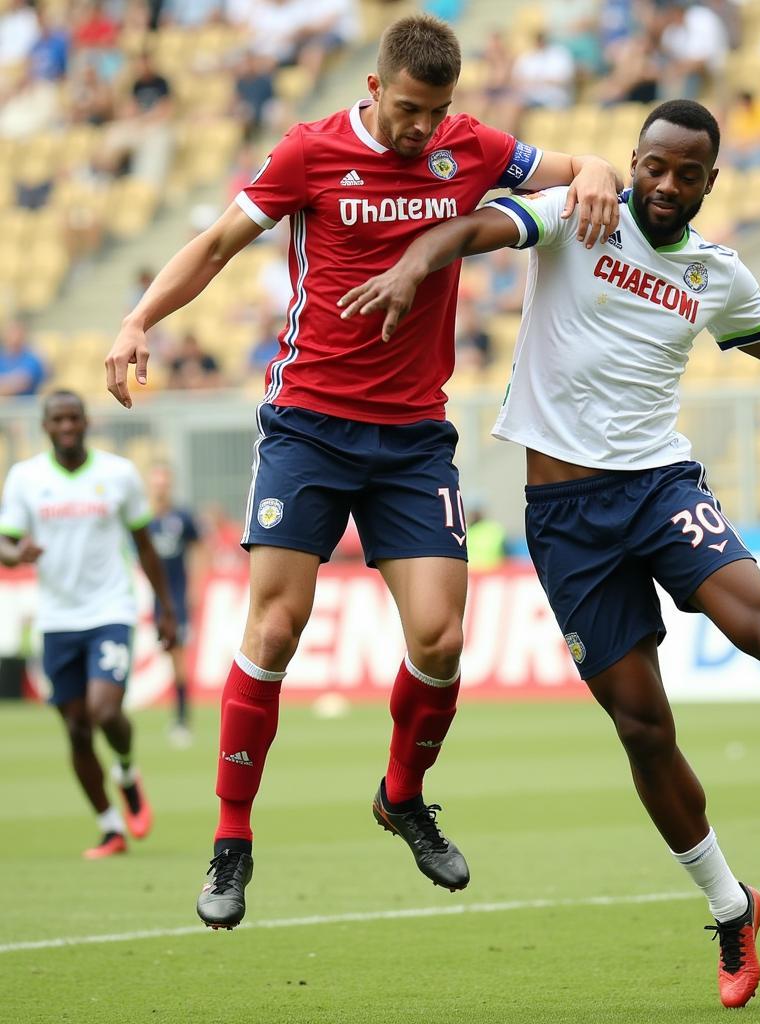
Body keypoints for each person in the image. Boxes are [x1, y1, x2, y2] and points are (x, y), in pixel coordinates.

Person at [339, 98, 760, 1010]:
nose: (667, 185)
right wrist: (414, 261)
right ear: (633, 162)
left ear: (711, 183)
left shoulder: (716, 273)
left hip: (658, 488)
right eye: (654, 166)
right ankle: (732, 907)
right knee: (643, 728)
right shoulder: (577, 213)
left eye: (688, 174)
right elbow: (480, 224)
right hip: (564, 520)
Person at [103, 13, 621, 930]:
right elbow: (219, 245)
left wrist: (602, 173)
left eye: (440, 113)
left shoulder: (470, 147)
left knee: (441, 640)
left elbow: (579, 166)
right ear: (377, 90)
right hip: (308, 424)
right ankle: (232, 843)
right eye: (412, 111)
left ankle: (401, 795)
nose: (425, 130)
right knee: (276, 624)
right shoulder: (309, 153)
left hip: (414, 436)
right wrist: (138, 319)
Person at [0, 391, 177, 858]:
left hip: (109, 612)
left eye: (73, 418)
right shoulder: (26, 478)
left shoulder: (117, 474)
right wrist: (16, 554)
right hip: (56, 619)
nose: (66, 426)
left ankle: (125, 770)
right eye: (57, 419)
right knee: (76, 729)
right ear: (45, 426)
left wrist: (167, 607)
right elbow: (5, 541)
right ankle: (109, 826)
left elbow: (143, 544)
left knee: (104, 711)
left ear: (86, 422)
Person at [148, 461, 205, 746]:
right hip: (154, 601)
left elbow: (200, 547)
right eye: (156, 483)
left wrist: (196, 586)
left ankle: (183, 719)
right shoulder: (143, 519)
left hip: (177, 600)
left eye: (164, 483)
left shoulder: (181, 517)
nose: (160, 488)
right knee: (169, 656)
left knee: (178, 659)